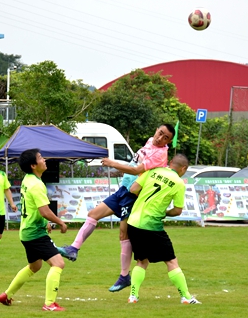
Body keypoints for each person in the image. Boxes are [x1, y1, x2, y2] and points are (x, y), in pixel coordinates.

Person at [60, 124, 175, 292]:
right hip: (123, 189)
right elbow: (135, 163)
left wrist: (113, 163)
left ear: (169, 142)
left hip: (133, 195)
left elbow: (136, 169)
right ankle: (73, 249)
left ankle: (124, 276)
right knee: (93, 214)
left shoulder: (160, 154)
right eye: (160, 133)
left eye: (165, 137)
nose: (160, 138)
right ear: (156, 129)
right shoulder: (150, 141)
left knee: (123, 234)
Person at [0, 149, 69, 311]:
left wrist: (45, 222)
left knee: (35, 266)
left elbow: (33, 207)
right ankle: (49, 304)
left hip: (26, 232)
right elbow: (44, 211)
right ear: (33, 165)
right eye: (40, 158)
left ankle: (6, 295)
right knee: (58, 263)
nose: (44, 160)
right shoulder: (36, 185)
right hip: (35, 233)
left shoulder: (28, 179)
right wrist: (60, 222)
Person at [125, 154, 201, 305]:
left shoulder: (153, 171)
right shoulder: (178, 183)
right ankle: (186, 296)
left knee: (141, 261)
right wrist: (164, 212)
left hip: (133, 222)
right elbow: (177, 210)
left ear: (171, 162)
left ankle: (133, 296)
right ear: (184, 168)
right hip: (152, 224)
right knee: (171, 261)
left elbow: (133, 189)